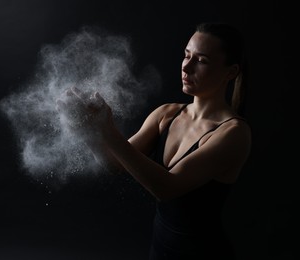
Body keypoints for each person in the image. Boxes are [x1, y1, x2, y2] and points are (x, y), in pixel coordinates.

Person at [56, 22, 252, 260]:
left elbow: (166, 188)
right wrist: (87, 129)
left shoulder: (233, 133)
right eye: (186, 55)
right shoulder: (167, 114)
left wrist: (108, 131)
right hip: (160, 250)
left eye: (201, 61)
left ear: (231, 72)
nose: (186, 67)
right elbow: (115, 164)